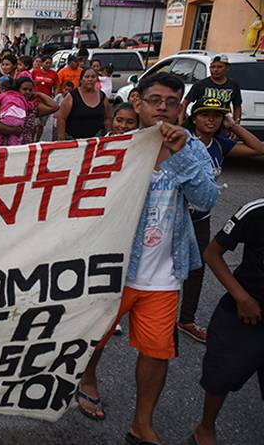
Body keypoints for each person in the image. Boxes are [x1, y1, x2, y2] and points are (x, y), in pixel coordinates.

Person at [77, 72, 218, 445]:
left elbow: (205, 202)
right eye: (155, 100)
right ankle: (88, 378)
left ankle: (142, 423)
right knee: (97, 338)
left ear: (181, 107)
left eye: (172, 102)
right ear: (137, 102)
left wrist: (181, 152)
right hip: (113, 269)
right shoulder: (113, 146)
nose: (163, 109)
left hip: (163, 273)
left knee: (157, 352)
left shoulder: (193, 150)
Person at [179, 98, 264, 343]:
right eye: (205, 114)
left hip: (200, 218)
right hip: (173, 215)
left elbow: (258, 148)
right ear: (194, 117)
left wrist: (233, 125)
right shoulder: (182, 139)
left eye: (217, 116)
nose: (211, 119)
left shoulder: (220, 145)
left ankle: (186, 319)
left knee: (197, 268)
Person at [188, 198, 264, 445]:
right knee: (221, 375)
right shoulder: (256, 211)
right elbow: (212, 253)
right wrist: (242, 298)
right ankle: (205, 428)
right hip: (247, 313)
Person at [181, 55, 242, 125]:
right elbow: (185, 103)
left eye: (219, 67)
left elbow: (237, 106)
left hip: (222, 124)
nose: (216, 70)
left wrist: (236, 124)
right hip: (201, 124)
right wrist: (181, 123)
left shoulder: (233, 85)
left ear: (227, 68)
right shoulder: (200, 84)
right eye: (213, 67)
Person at [56, 68, 112, 140]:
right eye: (87, 77)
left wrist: (109, 136)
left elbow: (107, 118)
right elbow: (61, 118)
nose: (90, 79)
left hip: (96, 141)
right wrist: (61, 139)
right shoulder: (72, 96)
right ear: (81, 80)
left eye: (93, 77)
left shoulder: (102, 96)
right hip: (73, 140)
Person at [31, 55, 59, 141]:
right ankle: (31, 140)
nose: (48, 65)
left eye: (50, 63)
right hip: (34, 101)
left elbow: (57, 86)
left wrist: (55, 95)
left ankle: (37, 140)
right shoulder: (35, 72)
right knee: (33, 123)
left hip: (46, 102)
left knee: (41, 124)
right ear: (42, 63)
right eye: (46, 63)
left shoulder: (54, 74)